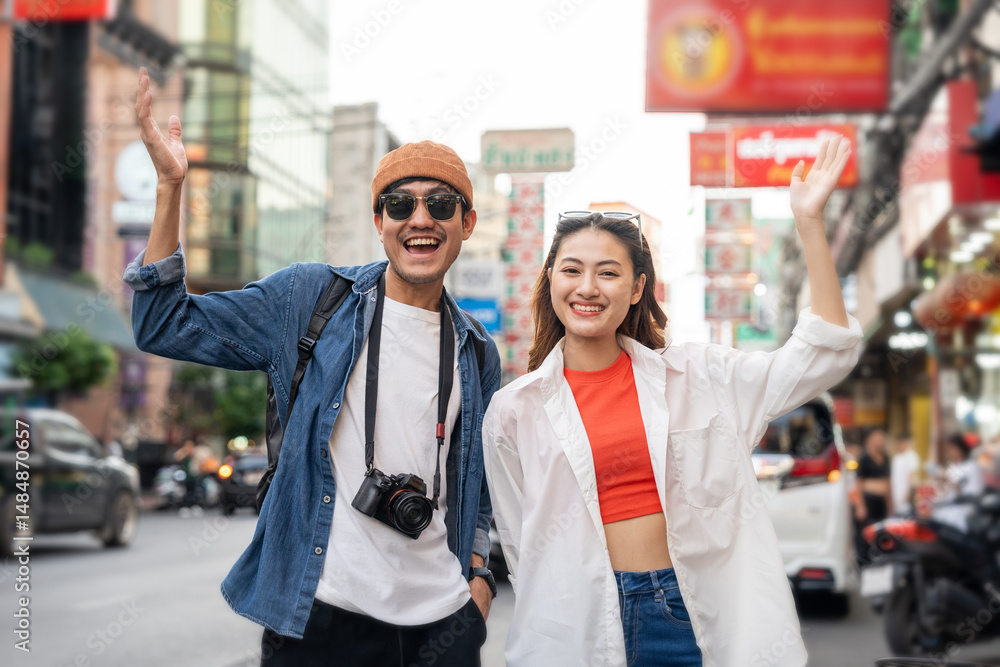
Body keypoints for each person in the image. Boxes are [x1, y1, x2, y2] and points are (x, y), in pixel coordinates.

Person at [124, 68, 500, 666]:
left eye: (441, 204)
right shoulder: (310, 301)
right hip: (321, 620)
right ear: (380, 223)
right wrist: (171, 187)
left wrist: (477, 579)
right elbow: (162, 324)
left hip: (442, 626)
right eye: (400, 204)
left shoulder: (477, 349)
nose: (420, 219)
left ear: (466, 223)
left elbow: (473, 484)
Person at [482, 137, 862, 666]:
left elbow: (823, 357)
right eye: (571, 270)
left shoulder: (698, 376)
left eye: (608, 272)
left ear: (637, 289)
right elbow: (524, 544)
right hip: (574, 624)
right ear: (550, 281)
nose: (587, 287)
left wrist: (809, 224)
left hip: (682, 614)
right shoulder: (512, 411)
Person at [889, 433, 919, 516]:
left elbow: (912, 475)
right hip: (896, 494)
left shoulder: (911, 456)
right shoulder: (896, 458)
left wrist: (908, 492)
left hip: (905, 494)